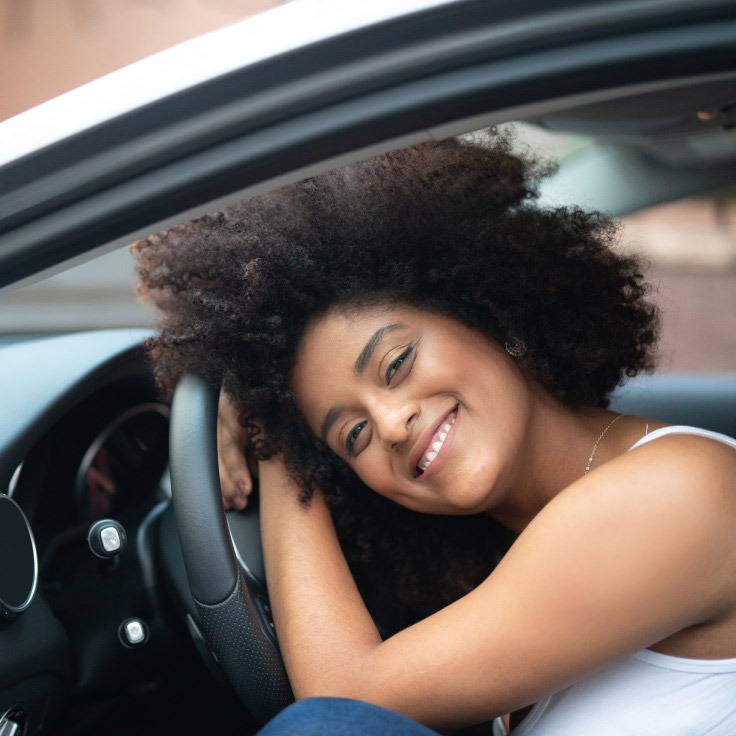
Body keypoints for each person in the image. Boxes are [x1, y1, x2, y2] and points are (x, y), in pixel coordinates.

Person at [133, 132, 736, 734]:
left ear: (488, 311)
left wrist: (272, 435)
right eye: (353, 436)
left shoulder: (678, 490)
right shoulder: (521, 560)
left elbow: (342, 707)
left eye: (396, 365)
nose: (392, 425)